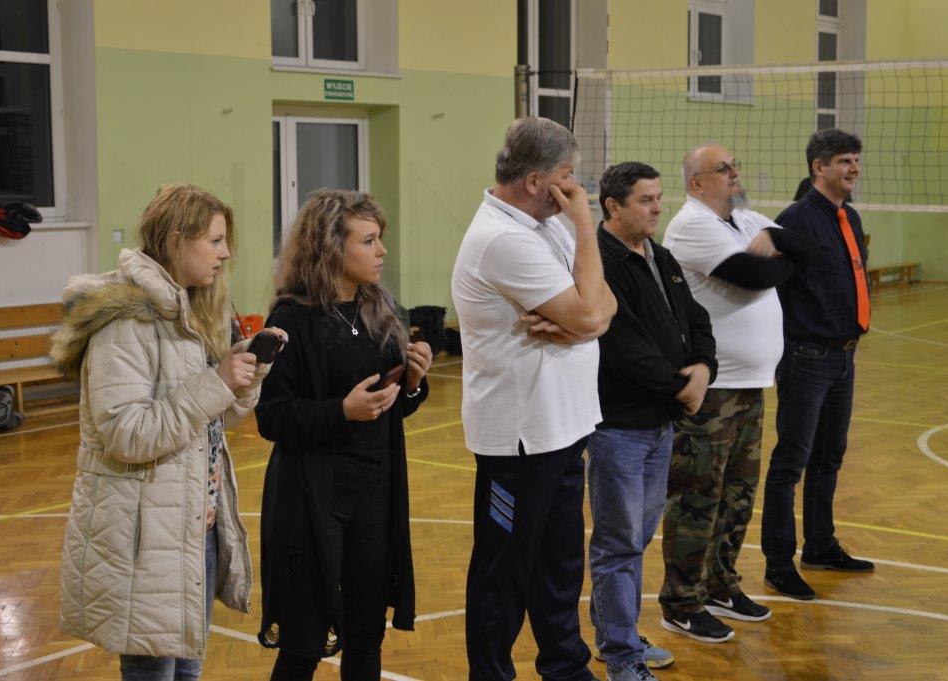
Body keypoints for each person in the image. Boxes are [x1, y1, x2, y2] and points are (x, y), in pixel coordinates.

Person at [53, 184, 285, 680]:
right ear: (177, 239)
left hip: (193, 526)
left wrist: (247, 374)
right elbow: (127, 434)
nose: (226, 253)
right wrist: (216, 382)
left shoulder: (191, 312)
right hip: (145, 539)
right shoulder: (126, 322)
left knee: (186, 674)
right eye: (215, 241)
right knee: (152, 675)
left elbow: (214, 421)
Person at [452, 117, 616, 681]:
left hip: (565, 427)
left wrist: (581, 325)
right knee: (504, 573)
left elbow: (606, 304)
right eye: (566, 176)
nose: (574, 189)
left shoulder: (545, 225)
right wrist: (587, 227)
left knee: (559, 566)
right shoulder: (504, 238)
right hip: (519, 440)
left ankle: (565, 668)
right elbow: (591, 313)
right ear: (533, 181)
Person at [255, 190, 432, 680]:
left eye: (380, 240)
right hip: (314, 498)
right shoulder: (291, 317)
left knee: (366, 634)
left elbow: (388, 408)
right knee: (303, 643)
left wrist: (412, 383)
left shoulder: (380, 308)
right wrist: (341, 412)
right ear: (332, 247)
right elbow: (272, 416)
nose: (382, 251)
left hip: (373, 491)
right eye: (368, 241)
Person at [660, 145, 817, 644]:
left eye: (735, 166)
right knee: (698, 495)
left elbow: (810, 247)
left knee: (738, 494)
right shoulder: (691, 225)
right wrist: (782, 260)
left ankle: (719, 584)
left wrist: (779, 245)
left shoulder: (747, 220)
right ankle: (681, 602)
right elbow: (754, 276)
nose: (734, 174)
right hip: (711, 388)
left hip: (751, 384)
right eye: (722, 169)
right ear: (696, 182)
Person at [588, 162, 716, 680]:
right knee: (619, 543)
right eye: (646, 200)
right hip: (619, 425)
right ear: (612, 206)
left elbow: (697, 319)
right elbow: (620, 345)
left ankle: (616, 635)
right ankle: (623, 658)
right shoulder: (600, 261)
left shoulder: (660, 256)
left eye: (659, 198)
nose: (658, 208)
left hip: (660, 423)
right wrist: (679, 385)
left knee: (635, 538)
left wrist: (703, 368)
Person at [761, 128, 875, 601]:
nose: (853, 168)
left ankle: (821, 546)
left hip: (844, 356)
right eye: (844, 161)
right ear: (819, 167)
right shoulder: (796, 220)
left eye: (855, 160)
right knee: (792, 461)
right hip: (807, 358)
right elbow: (773, 288)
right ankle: (778, 564)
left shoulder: (849, 215)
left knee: (830, 455)